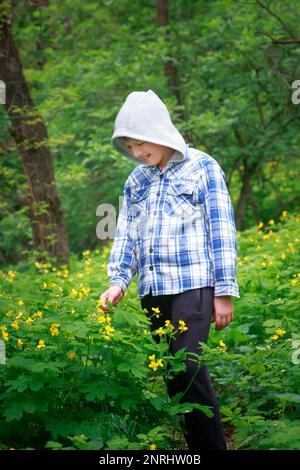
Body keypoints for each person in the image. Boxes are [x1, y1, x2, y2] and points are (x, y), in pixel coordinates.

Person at [100, 89, 240, 450]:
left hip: (194, 284)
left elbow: (221, 229)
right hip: (153, 291)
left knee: (189, 366)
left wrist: (224, 292)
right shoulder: (136, 181)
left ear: (159, 131)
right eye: (130, 146)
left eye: (141, 143)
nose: (136, 152)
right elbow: (127, 234)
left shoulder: (203, 167)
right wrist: (118, 281)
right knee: (174, 376)